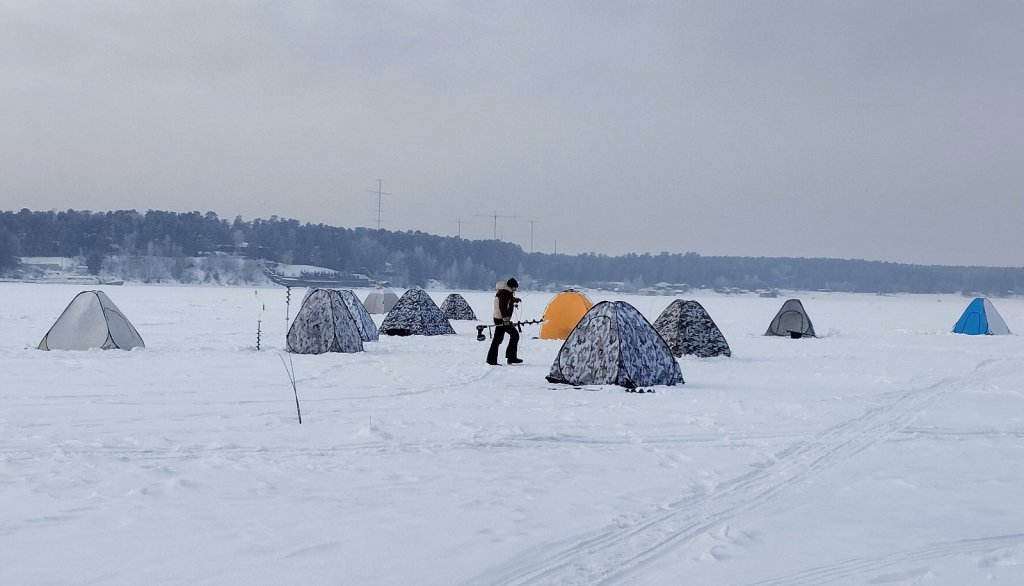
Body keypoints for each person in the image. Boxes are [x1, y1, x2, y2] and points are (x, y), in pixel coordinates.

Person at [486, 277, 522, 365]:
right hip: (501, 319)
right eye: (515, 288)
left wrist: (514, 299)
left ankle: (496, 359)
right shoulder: (505, 293)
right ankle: (506, 358)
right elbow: (502, 306)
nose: (516, 289)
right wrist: (506, 320)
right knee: (512, 336)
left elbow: (506, 301)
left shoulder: (505, 292)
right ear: (511, 286)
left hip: (499, 318)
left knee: (500, 338)